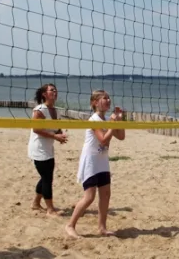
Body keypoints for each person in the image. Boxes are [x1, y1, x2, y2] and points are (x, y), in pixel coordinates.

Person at [65, 90, 125, 238]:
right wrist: (112, 124)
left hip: (102, 160)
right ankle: (70, 225)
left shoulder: (105, 120)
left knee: (105, 194)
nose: (108, 100)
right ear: (95, 102)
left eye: (109, 98)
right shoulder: (93, 120)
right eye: (105, 98)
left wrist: (119, 121)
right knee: (89, 197)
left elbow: (121, 136)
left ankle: (102, 227)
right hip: (91, 161)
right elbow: (104, 139)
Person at [28, 83, 68, 216]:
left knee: (45, 176)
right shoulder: (39, 110)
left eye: (55, 90)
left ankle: (35, 203)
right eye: (52, 90)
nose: (55, 92)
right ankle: (50, 210)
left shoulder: (54, 110)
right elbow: (36, 129)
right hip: (38, 148)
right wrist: (55, 136)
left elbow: (55, 126)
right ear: (44, 94)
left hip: (48, 148)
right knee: (47, 178)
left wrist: (60, 134)